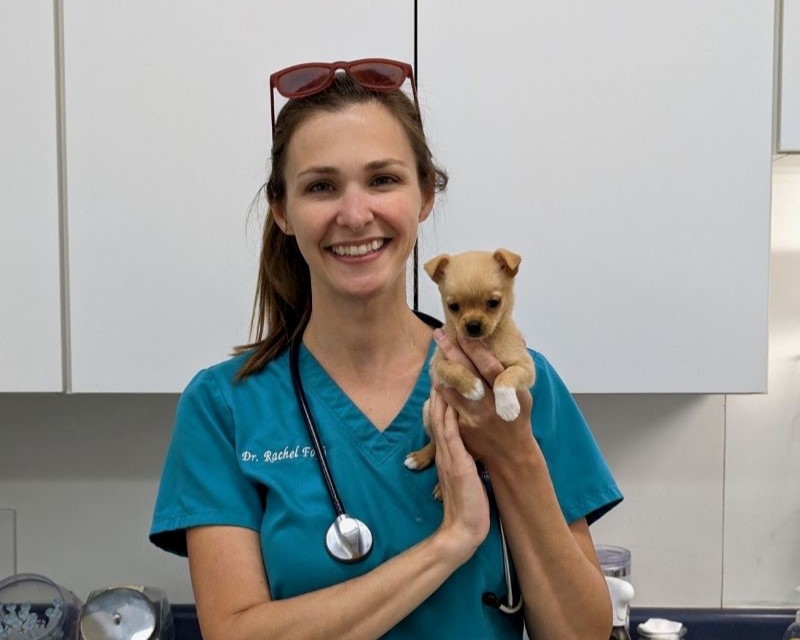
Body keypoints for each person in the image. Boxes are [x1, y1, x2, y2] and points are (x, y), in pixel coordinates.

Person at [150, 58, 623, 640]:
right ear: (283, 210)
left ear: (425, 196)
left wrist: (514, 455)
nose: (355, 215)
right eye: (321, 186)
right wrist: (451, 541)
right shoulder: (225, 406)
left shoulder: (517, 384)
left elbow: (581, 634)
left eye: (383, 180)